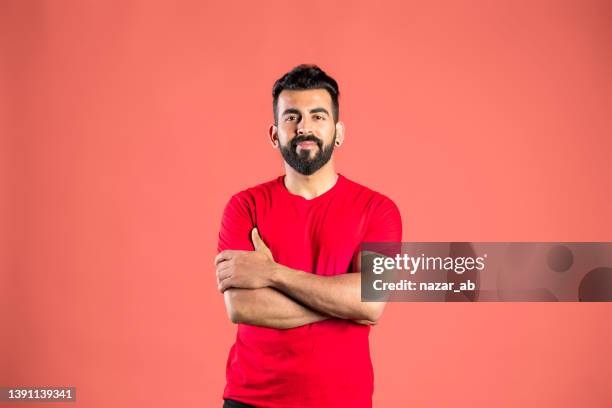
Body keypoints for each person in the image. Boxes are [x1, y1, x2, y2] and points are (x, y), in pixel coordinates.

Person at [215, 64, 402, 408]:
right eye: (292, 117)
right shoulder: (244, 207)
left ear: (339, 132)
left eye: (318, 117)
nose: (304, 127)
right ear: (274, 134)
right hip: (251, 399)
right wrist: (344, 303)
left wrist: (273, 274)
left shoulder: (377, 210)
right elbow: (243, 306)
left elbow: (371, 304)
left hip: (342, 400)